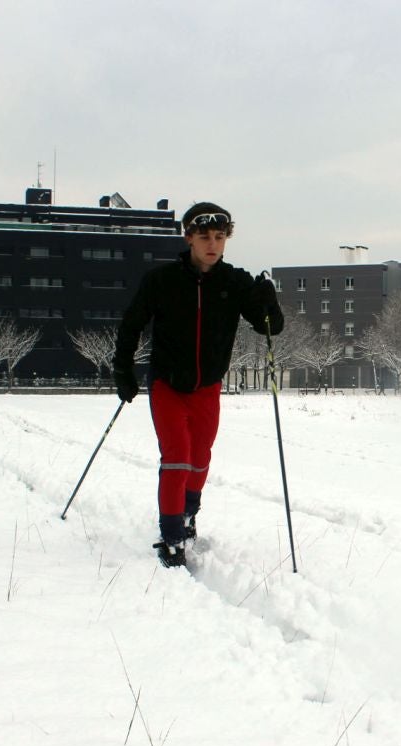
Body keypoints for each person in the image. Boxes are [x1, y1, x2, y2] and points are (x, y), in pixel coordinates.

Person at [113, 202, 284, 568]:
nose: (212, 244)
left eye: (219, 237)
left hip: (207, 387)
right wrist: (122, 370)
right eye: (204, 236)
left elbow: (270, 325)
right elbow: (131, 325)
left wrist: (269, 301)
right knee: (176, 456)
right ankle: (172, 536)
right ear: (188, 237)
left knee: (200, 458)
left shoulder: (235, 283)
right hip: (168, 384)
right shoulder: (161, 281)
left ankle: (189, 514)